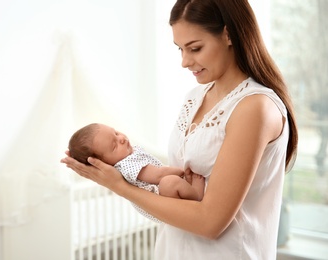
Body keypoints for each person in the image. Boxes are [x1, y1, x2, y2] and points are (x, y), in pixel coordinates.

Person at [61, 0, 298, 259]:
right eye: (180, 49)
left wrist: (121, 187)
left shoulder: (254, 107)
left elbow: (211, 222)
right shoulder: (194, 98)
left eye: (195, 48)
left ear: (229, 34)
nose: (185, 61)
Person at [68, 123, 205, 221]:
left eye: (115, 133)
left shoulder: (129, 153)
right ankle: (196, 194)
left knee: (169, 181)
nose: (121, 138)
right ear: (104, 163)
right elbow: (159, 174)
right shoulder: (126, 165)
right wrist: (182, 171)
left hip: (162, 199)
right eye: (114, 146)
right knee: (169, 181)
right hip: (161, 200)